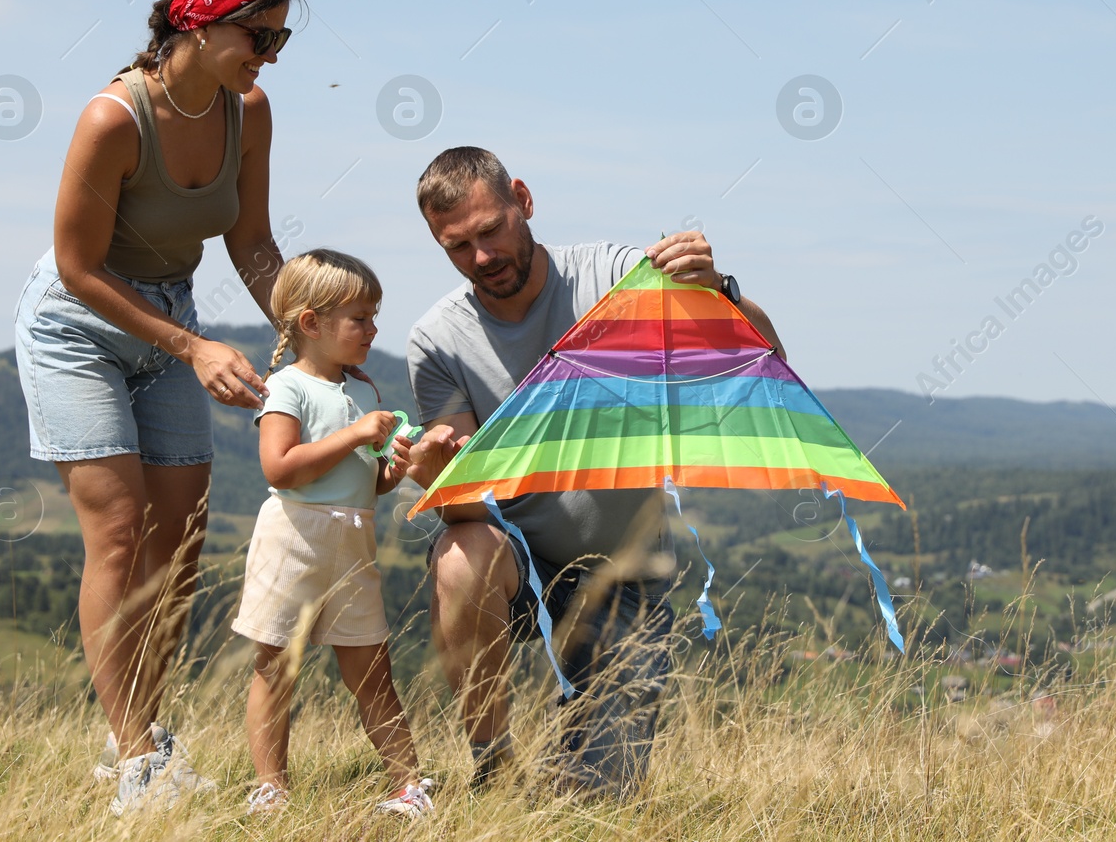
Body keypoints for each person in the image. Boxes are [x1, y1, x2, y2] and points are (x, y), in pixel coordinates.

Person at [13, 0, 295, 815]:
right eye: (259, 35)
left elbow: (250, 241)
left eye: (281, 41)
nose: (269, 55)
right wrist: (191, 347)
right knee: (120, 528)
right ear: (199, 19)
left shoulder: (252, 111)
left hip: (169, 317)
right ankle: (139, 762)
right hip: (79, 324)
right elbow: (76, 267)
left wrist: (300, 313)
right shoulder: (114, 118)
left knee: (179, 542)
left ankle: (136, 733)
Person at [403, 146, 783, 796]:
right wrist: (433, 478)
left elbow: (765, 362)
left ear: (523, 199)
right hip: (518, 559)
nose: (482, 257)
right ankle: (492, 768)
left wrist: (718, 290)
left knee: (593, 802)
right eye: (458, 246)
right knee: (459, 556)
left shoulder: (615, 278)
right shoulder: (437, 341)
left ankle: (566, 777)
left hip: (625, 573)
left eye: (491, 229)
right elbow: (470, 509)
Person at [232, 250, 432, 819]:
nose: (373, 329)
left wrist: (398, 465)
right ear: (310, 324)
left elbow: (369, 487)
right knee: (275, 666)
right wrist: (354, 435)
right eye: (360, 318)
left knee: (372, 671)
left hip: (352, 538)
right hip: (292, 537)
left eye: (373, 316)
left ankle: (407, 786)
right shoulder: (283, 387)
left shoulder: (364, 390)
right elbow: (280, 467)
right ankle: (271, 788)